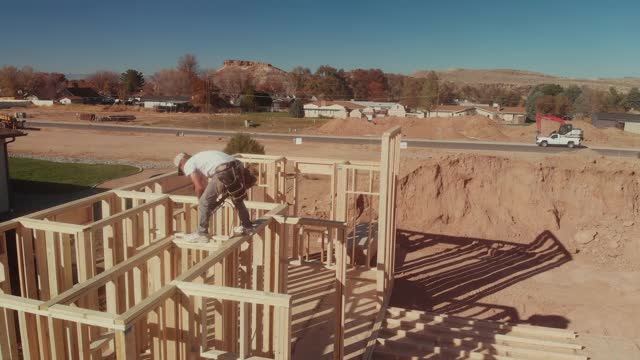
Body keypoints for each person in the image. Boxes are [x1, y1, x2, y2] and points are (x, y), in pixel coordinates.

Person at [173, 150, 256, 243]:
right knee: (236, 198)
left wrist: (202, 202)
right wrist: (210, 202)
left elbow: (199, 187)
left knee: (203, 202)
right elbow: (206, 185)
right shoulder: (200, 158)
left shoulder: (188, 164)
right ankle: (247, 226)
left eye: (181, 169)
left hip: (224, 171)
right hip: (237, 166)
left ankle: (202, 233)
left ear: (182, 163)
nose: (184, 171)